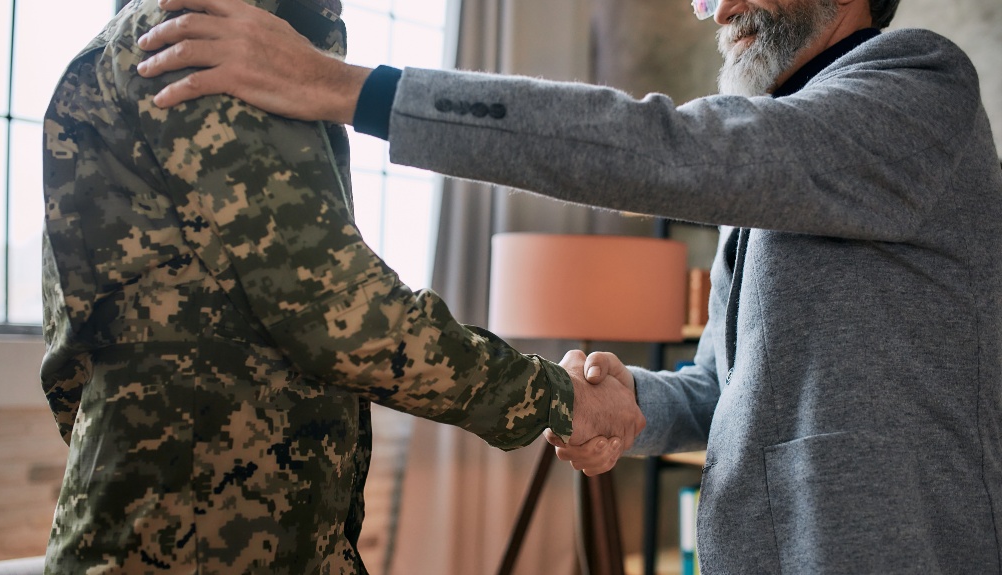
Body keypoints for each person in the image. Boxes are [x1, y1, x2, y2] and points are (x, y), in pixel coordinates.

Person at [136, 0, 1002, 572]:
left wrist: (347, 89)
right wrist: (635, 403)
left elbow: (675, 150)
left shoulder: (918, 86)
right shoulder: (787, 155)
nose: (716, 9)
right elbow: (723, 388)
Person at [39, 1, 645, 573]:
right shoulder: (208, 35)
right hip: (196, 545)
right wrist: (557, 397)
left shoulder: (254, 41)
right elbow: (343, 314)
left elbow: (69, 355)